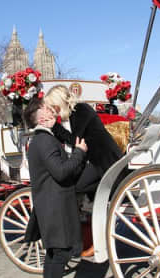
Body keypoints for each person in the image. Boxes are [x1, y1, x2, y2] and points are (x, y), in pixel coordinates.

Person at [23, 97, 87, 278]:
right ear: (41, 117)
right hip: (55, 206)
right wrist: (79, 152)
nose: (53, 113)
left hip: (50, 204)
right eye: (49, 110)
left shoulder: (40, 140)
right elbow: (61, 172)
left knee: (54, 253)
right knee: (60, 253)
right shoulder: (45, 141)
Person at [44, 85, 124, 256]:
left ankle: (81, 233)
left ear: (60, 101)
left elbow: (78, 143)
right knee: (77, 185)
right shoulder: (75, 113)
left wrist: (54, 128)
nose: (53, 110)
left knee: (73, 188)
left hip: (103, 162)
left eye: (53, 106)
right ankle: (90, 223)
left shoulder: (81, 111)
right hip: (98, 160)